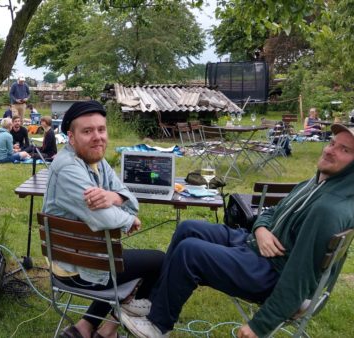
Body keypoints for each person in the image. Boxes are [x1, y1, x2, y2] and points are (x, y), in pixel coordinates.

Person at [120, 123, 354, 338]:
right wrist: (261, 228)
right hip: (257, 245)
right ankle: (155, 302)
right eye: (332, 142)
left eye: (344, 150)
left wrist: (260, 325)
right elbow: (271, 212)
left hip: (272, 273)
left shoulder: (328, 210)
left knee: (190, 251)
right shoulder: (314, 183)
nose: (330, 150)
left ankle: (157, 326)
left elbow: (300, 276)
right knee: (188, 228)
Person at [43, 100, 165, 338]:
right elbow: (104, 218)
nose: (97, 137)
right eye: (87, 131)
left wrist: (113, 196)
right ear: (71, 136)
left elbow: (131, 199)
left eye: (101, 129)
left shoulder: (97, 160)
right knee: (160, 262)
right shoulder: (68, 168)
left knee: (124, 261)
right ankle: (109, 329)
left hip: (90, 257)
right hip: (75, 268)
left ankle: (85, 328)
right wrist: (130, 220)